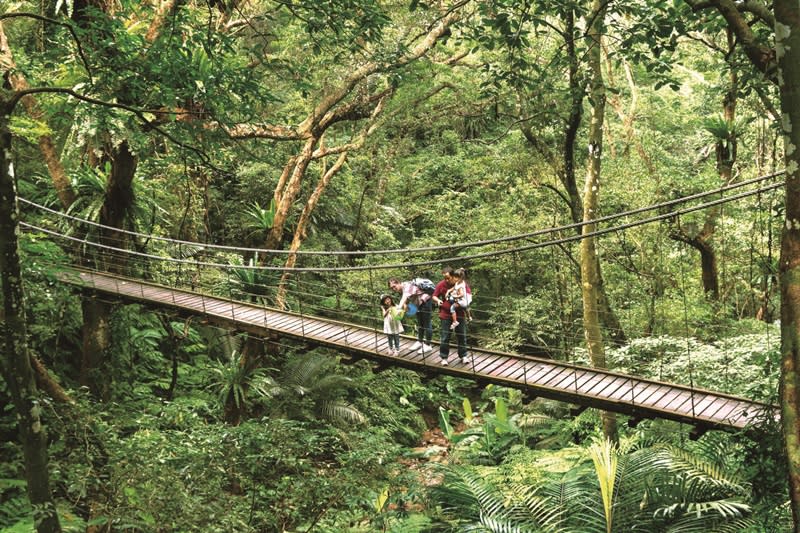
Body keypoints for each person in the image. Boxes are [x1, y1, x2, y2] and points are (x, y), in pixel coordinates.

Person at [432, 267, 471, 366]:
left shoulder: (461, 284)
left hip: (459, 314)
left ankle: (463, 355)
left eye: (448, 278)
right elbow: (434, 295)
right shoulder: (441, 284)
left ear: (453, 276)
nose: (446, 280)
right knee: (445, 337)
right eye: (445, 278)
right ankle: (444, 357)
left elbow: (468, 296)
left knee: (461, 335)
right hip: (445, 314)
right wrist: (438, 300)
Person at [388, 277, 433, 353]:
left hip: (425, 301)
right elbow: (409, 298)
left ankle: (428, 345)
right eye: (392, 288)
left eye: (394, 286)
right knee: (420, 323)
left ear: (398, 282)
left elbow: (404, 298)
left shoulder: (407, 286)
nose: (394, 289)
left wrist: (398, 308)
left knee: (427, 324)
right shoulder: (403, 288)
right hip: (418, 304)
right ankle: (420, 341)